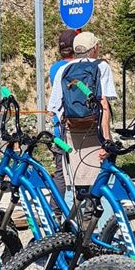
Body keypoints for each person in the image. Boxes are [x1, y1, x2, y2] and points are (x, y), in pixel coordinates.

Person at [48, 30, 117, 193]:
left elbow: (54, 109)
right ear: (94, 48)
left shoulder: (63, 70)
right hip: (96, 130)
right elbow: (104, 104)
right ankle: (94, 215)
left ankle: (77, 215)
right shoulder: (101, 66)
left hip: (72, 131)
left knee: (77, 179)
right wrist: (106, 142)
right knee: (102, 176)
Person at [47, 28, 78, 196]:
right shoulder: (81, 66)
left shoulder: (55, 69)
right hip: (81, 126)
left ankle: (55, 211)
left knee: (60, 172)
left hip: (60, 127)